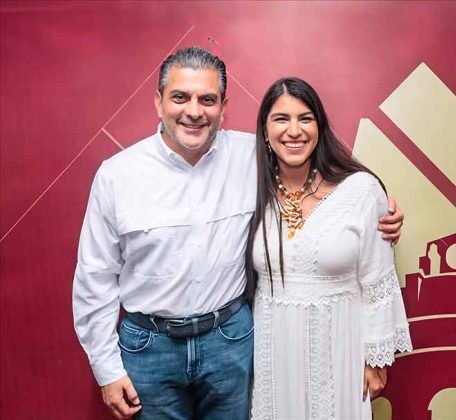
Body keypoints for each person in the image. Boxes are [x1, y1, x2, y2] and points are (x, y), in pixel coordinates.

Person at [73, 47, 404, 420]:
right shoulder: (117, 175)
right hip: (150, 347)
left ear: (223, 107)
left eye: (207, 99)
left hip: (229, 342)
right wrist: (106, 368)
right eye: (180, 97)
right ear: (158, 102)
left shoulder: (254, 155)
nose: (194, 111)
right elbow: (95, 277)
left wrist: (381, 211)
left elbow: (329, 189)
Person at [245, 77, 413, 420]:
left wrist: (375, 359)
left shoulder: (361, 191)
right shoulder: (250, 189)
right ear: (265, 131)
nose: (294, 131)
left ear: (320, 127)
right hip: (273, 350)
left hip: (339, 350)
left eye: (305, 119)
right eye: (281, 119)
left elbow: (378, 281)